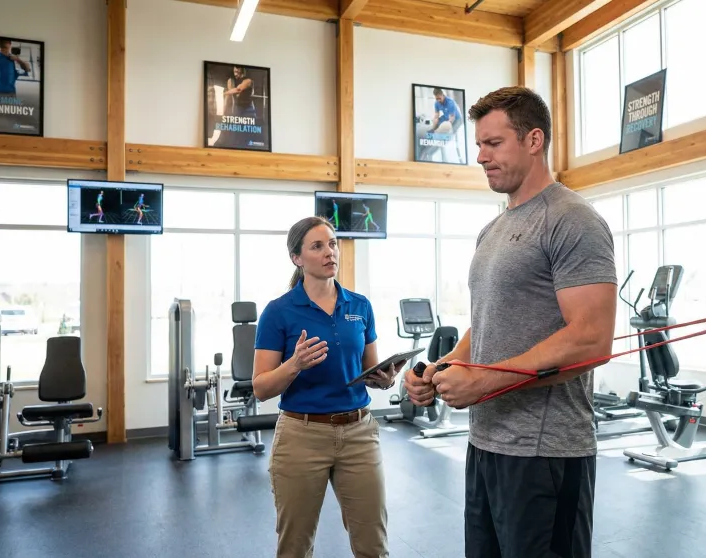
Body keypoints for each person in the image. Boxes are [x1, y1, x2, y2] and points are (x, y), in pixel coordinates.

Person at [404, 86, 617, 557]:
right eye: (479, 145)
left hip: (546, 452)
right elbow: (488, 324)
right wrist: (440, 370)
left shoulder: (572, 220)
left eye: (493, 144)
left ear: (534, 140)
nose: (481, 156)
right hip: (488, 443)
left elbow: (591, 340)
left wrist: (484, 382)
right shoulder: (495, 228)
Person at [252, 215, 401, 558]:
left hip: (359, 433)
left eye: (332, 244)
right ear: (297, 258)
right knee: (295, 547)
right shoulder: (278, 312)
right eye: (317, 246)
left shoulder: (360, 305)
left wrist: (385, 379)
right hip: (302, 435)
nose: (329, 252)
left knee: (373, 545)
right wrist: (295, 365)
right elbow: (260, 387)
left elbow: (370, 370)